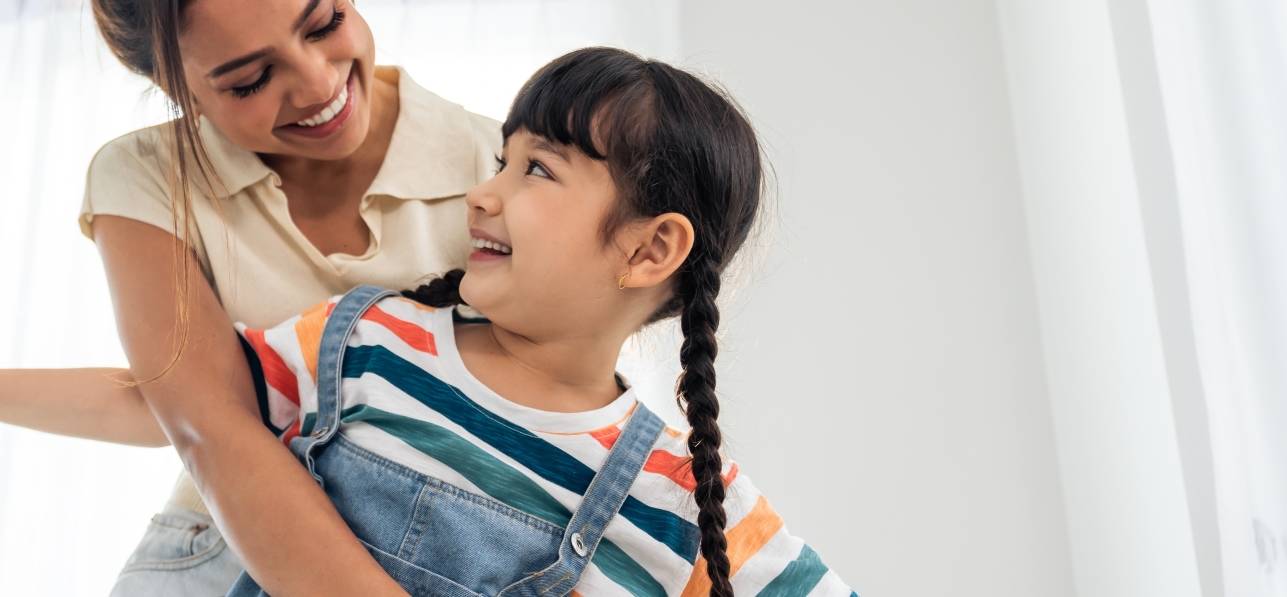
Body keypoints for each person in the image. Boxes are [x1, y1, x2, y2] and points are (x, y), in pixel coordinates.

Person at [0, 0, 493, 594]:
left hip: (479, 547)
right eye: (247, 81)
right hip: (227, 549)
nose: (315, 85)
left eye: (326, 21)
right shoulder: (149, 178)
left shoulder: (499, 162)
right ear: (181, 92)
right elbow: (200, 419)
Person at [222, 46, 851, 596]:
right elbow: (191, 404)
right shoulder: (367, 341)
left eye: (538, 170)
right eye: (503, 162)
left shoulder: (684, 501)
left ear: (649, 250)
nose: (481, 193)